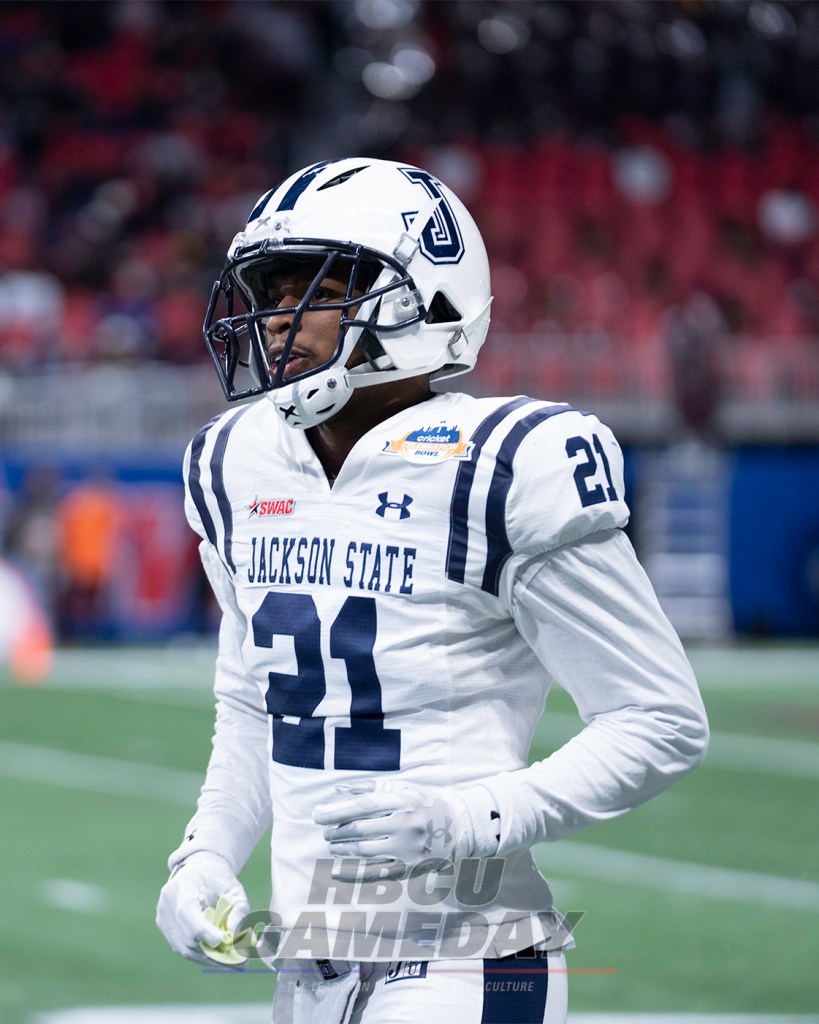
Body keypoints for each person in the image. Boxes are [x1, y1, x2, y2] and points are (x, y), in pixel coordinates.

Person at [156, 157, 709, 1024]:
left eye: (314, 287)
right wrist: (205, 853)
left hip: (472, 956)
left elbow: (660, 720)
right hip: (308, 962)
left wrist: (470, 818)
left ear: (424, 298)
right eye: (267, 289)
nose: (275, 320)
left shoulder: (504, 463)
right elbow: (255, 706)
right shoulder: (233, 460)